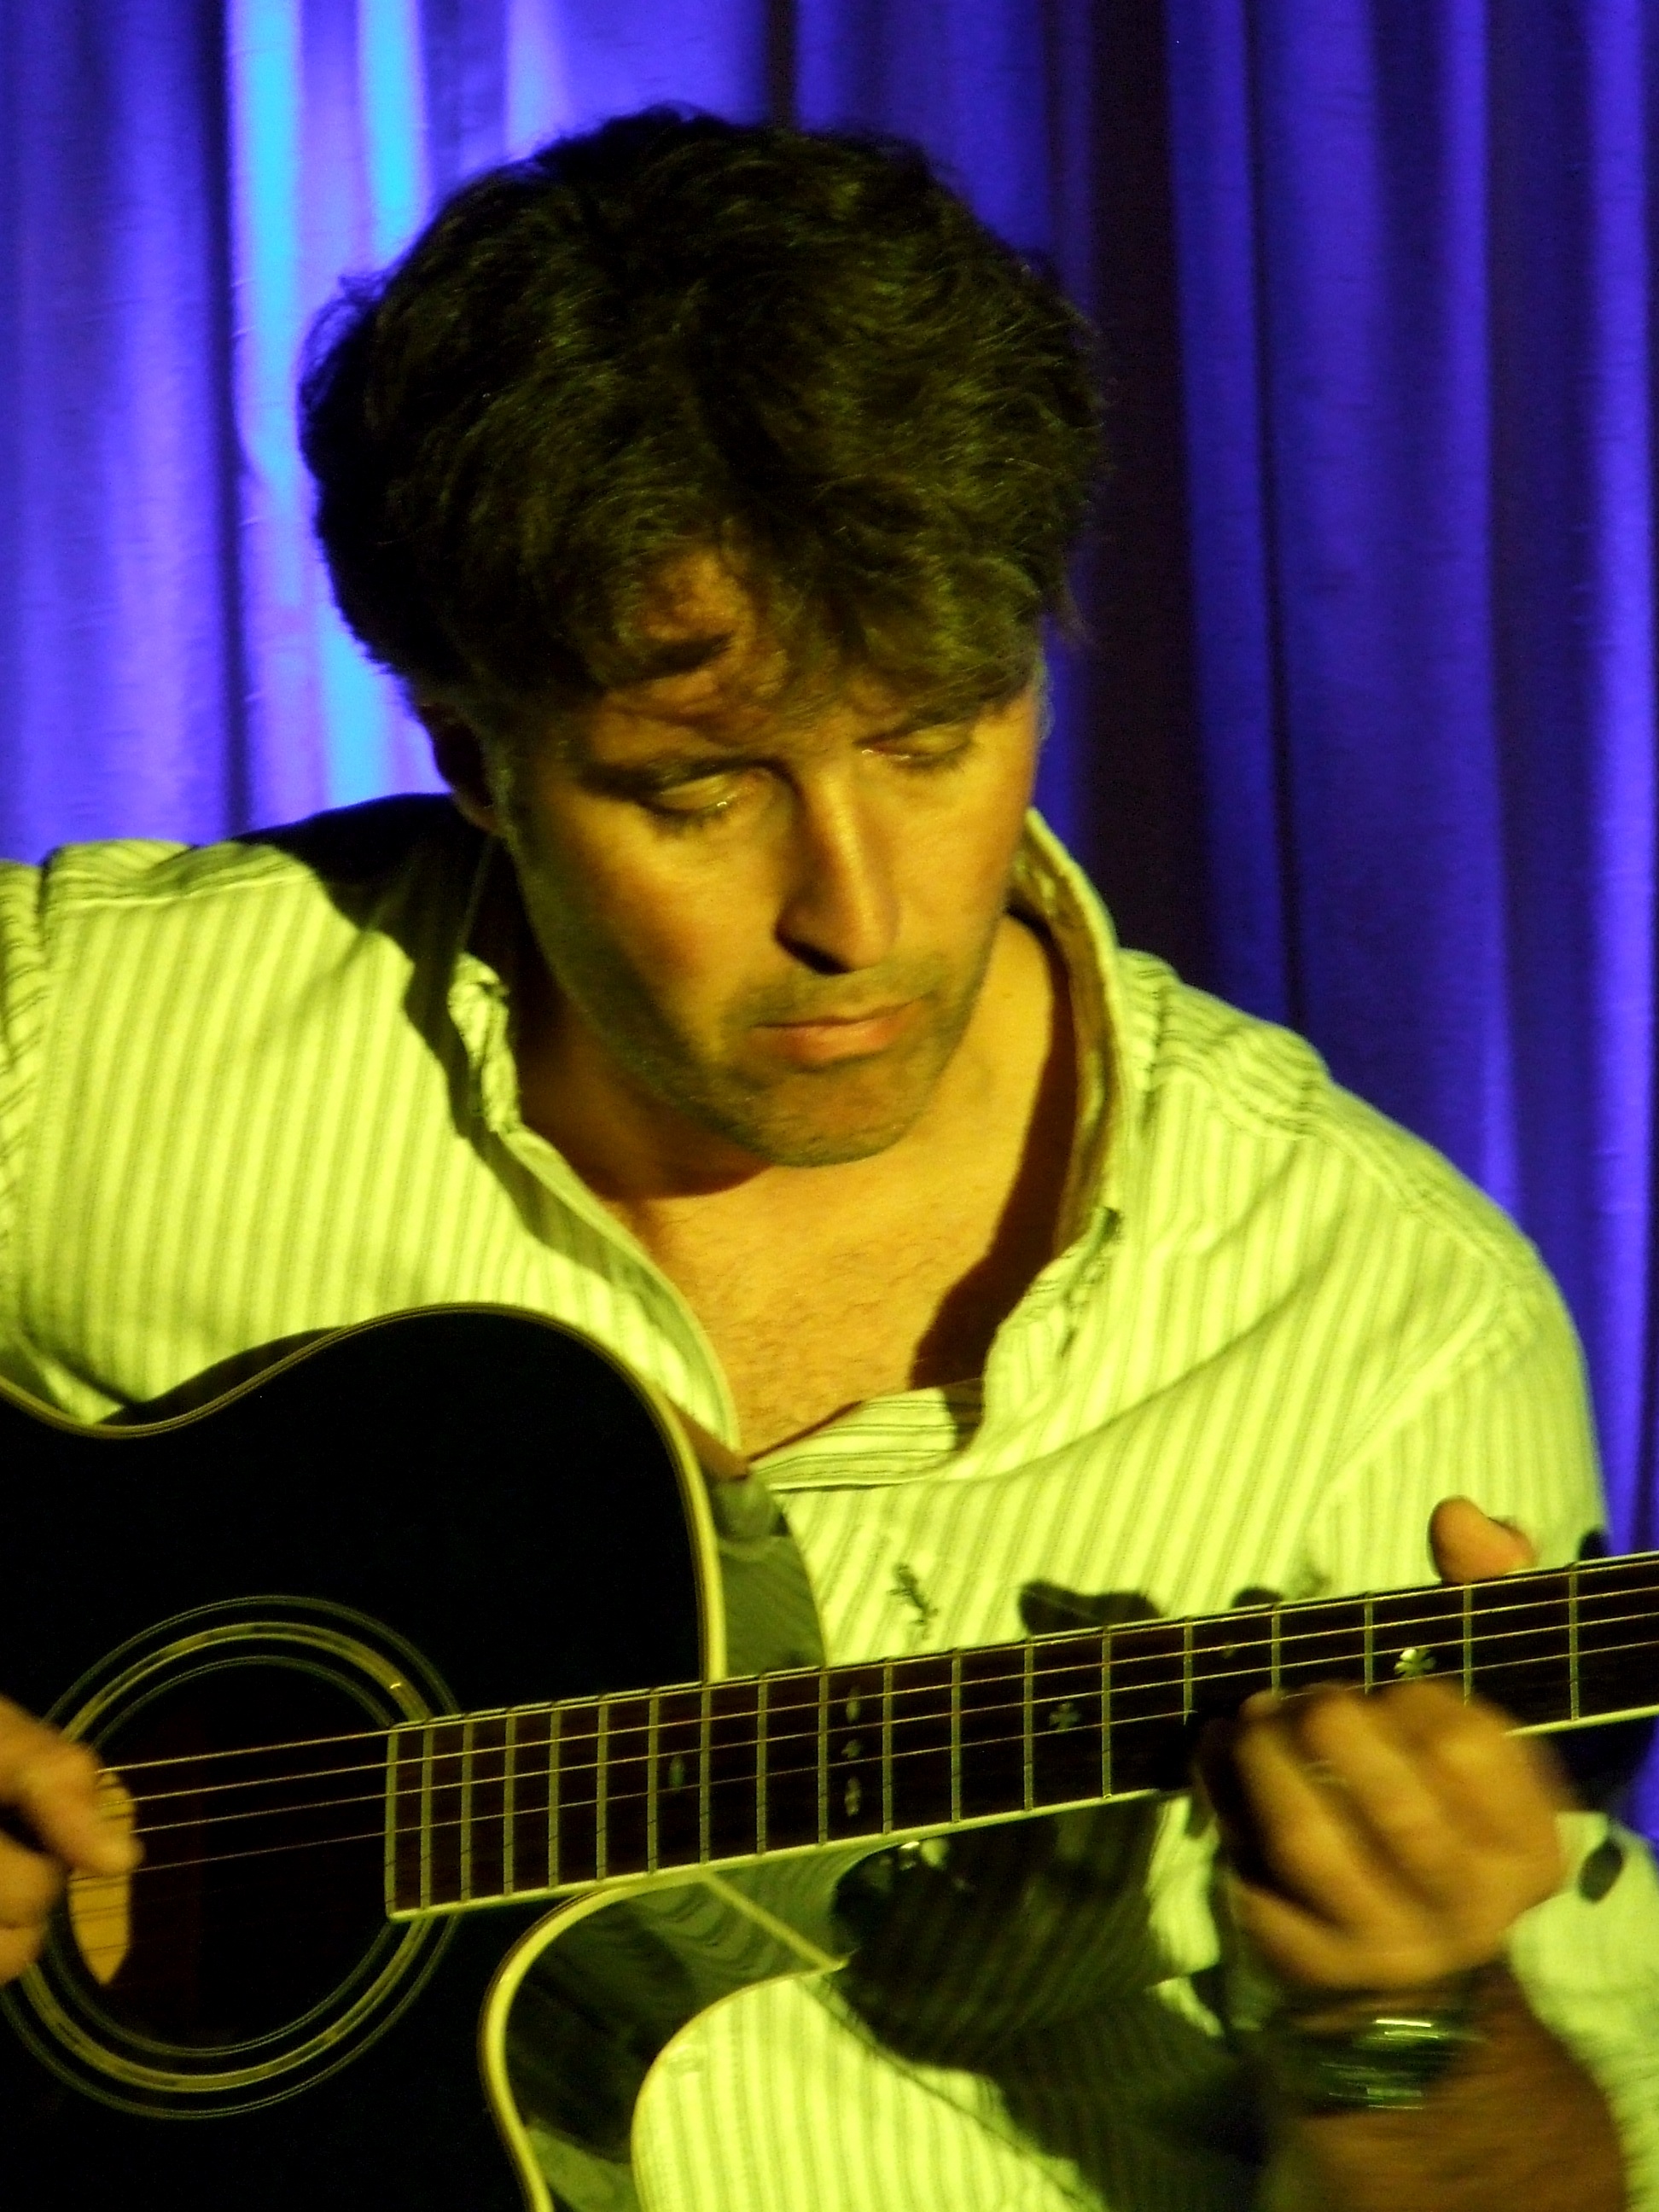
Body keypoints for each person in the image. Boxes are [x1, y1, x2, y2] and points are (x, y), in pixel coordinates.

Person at [0, 108, 1653, 2210]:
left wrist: (1410, 2018)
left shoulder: (1390, 1328)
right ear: (474, 754)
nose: (855, 915)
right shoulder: (85, 1041)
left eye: (932, 736)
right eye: (700, 790)